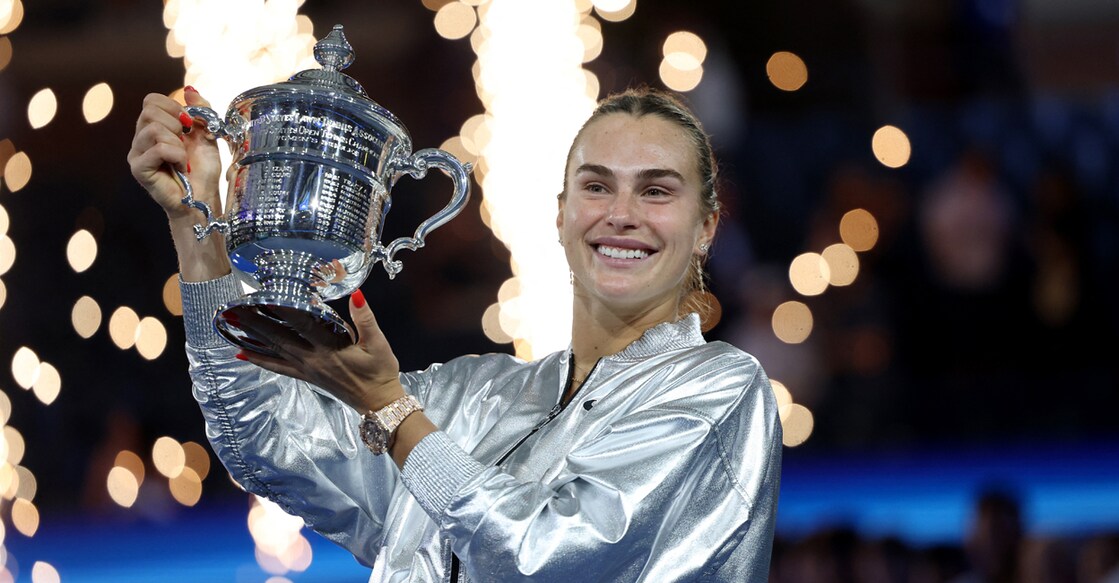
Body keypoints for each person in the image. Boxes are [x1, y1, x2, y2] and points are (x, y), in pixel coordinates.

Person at [128, 84, 782, 582]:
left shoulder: (722, 391)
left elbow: (540, 556)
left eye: (657, 191)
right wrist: (195, 218)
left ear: (706, 226)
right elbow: (264, 435)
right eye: (596, 186)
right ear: (560, 214)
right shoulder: (476, 393)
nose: (620, 215)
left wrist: (389, 407)